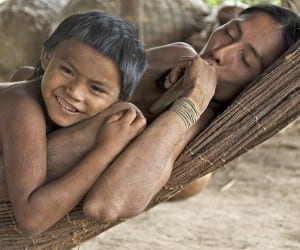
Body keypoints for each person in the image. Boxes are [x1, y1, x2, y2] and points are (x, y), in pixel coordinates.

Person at [1, 4, 299, 234]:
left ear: (257, 84)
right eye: (229, 33)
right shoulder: (176, 55)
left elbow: (105, 204)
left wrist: (191, 102)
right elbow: (62, 76)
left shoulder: (199, 124)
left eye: (245, 60)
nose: (221, 52)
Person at [0, 11, 147, 235]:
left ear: (118, 98)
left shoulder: (36, 87)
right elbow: (31, 220)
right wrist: (106, 150)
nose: (75, 92)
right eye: (67, 71)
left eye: (96, 88)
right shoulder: (23, 106)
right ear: (47, 57)